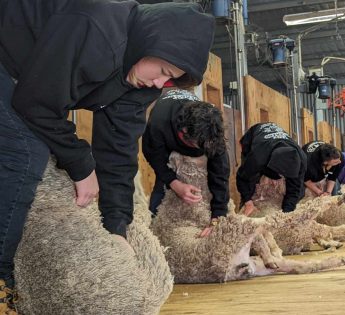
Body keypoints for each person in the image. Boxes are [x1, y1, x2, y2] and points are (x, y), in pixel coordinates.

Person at [0, 0, 215, 310]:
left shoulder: (143, 83)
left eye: (168, 81)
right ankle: (2, 281)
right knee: (25, 152)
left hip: (22, 72)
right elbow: (35, 103)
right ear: (150, 41)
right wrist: (81, 164)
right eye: (163, 71)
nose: (158, 83)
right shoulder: (96, 27)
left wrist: (116, 227)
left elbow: (118, 150)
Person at [142, 89, 229, 237]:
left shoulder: (212, 132)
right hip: (167, 148)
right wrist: (174, 183)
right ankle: (155, 232)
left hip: (197, 137)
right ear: (183, 133)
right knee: (158, 207)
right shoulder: (158, 123)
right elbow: (154, 157)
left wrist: (218, 216)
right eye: (198, 145)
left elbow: (220, 173)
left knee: (211, 195)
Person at [236, 123, 307, 216]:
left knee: (298, 190)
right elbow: (242, 178)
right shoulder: (257, 157)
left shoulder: (302, 159)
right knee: (250, 178)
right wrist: (247, 201)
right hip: (254, 138)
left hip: (274, 148)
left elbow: (295, 189)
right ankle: (246, 205)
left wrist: (286, 214)